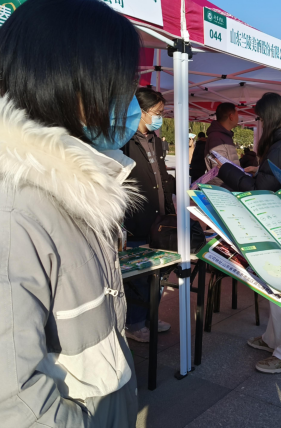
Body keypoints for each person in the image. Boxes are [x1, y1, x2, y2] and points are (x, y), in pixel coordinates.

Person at [0, 0, 141, 426]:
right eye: (119, 83)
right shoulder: (5, 212)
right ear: (68, 82)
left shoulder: (63, 188)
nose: (128, 101)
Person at [218, 92, 281, 374]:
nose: (258, 124)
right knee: (276, 286)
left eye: (259, 118)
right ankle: (273, 339)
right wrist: (257, 171)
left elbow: (258, 191)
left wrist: (226, 170)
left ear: (269, 118)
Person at [123, 87, 173, 342]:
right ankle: (134, 323)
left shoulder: (155, 139)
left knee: (159, 272)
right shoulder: (124, 140)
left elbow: (162, 176)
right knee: (139, 276)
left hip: (159, 219)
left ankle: (150, 316)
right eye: (157, 112)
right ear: (141, 112)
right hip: (136, 219)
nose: (159, 117)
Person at [217, 93, 281, 192]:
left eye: (262, 120)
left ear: (270, 119)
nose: (262, 125)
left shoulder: (279, 149)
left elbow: (259, 191)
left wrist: (228, 171)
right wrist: (259, 172)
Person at [204, 102, 240, 187]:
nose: (238, 118)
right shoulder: (216, 137)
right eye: (237, 115)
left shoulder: (224, 136)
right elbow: (219, 167)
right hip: (223, 188)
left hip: (229, 186)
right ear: (231, 116)